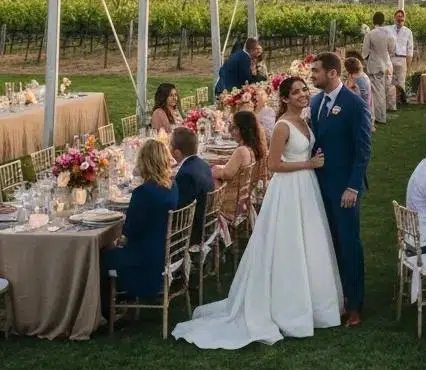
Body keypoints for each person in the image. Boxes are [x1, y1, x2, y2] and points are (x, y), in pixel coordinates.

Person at [172, 75, 344, 348]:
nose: (302, 95)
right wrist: (308, 163)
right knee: (288, 246)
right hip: (288, 189)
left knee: (309, 242)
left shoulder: (305, 120)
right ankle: (286, 307)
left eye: (304, 90)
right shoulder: (282, 126)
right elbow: (275, 165)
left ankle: (314, 304)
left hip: (306, 189)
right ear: (285, 98)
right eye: (296, 92)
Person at [308, 52, 372, 327]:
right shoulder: (315, 103)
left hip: (345, 189)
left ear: (332, 73)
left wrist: (353, 187)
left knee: (348, 245)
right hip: (318, 186)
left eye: (316, 71)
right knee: (327, 244)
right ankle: (333, 298)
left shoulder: (354, 104)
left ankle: (355, 304)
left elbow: (363, 149)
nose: (312, 75)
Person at [103, 139, 179, 311]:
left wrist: (115, 241)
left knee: (100, 256)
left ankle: (106, 309)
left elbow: (130, 232)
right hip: (163, 252)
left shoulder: (143, 193)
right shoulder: (173, 186)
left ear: (144, 162)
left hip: (144, 260)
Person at [213, 110, 266, 219]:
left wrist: (214, 169)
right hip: (242, 201)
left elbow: (227, 174)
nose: (231, 132)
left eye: (234, 128)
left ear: (244, 129)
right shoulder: (252, 149)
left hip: (230, 205)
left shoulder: (242, 151)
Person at [170, 126, 213, 245]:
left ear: (177, 152)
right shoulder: (203, 164)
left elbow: (179, 209)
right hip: (205, 221)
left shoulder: (185, 174)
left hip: (192, 232)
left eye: (170, 146)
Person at [362, 12, 396, 126]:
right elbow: (392, 50)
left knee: (377, 92)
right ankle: (382, 114)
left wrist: (367, 60)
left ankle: (380, 117)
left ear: (373, 21)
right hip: (387, 64)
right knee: (385, 90)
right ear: (383, 21)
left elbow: (365, 52)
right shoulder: (389, 33)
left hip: (375, 65)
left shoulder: (370, 34)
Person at [388, 9, 414, 109]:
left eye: (401, 17)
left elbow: (410, 48)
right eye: (398, 16)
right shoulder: (389, 30)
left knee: (401, 82)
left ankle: (400, 102)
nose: (400, 19)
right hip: (390, 58)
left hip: (402, 59)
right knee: (389, 81)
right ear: (394, 17)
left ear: (404, 19)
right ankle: (390, 102)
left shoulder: (408, 32)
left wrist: (408, 63)